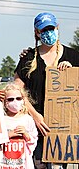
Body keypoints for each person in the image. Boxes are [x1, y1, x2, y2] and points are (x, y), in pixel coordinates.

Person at [14, 12, 79, 169]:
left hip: (61, 132)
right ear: (37, 32)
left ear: (57, 28)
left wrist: (71, 74)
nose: (49, 33)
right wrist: (35, 116)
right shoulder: (28, 58)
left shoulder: (74, 56)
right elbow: (16, 91)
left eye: (51, 28)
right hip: (35, 130)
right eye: (43, 30)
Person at [0, 83, 38, 168]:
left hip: (23, 164)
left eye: (18, 98)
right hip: (4, 164)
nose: (15, 101)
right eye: (10, 99)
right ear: (5, 102)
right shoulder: (1, 119)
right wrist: (8, 135)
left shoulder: (27, 119)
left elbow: (34, 140)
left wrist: (26, 134)